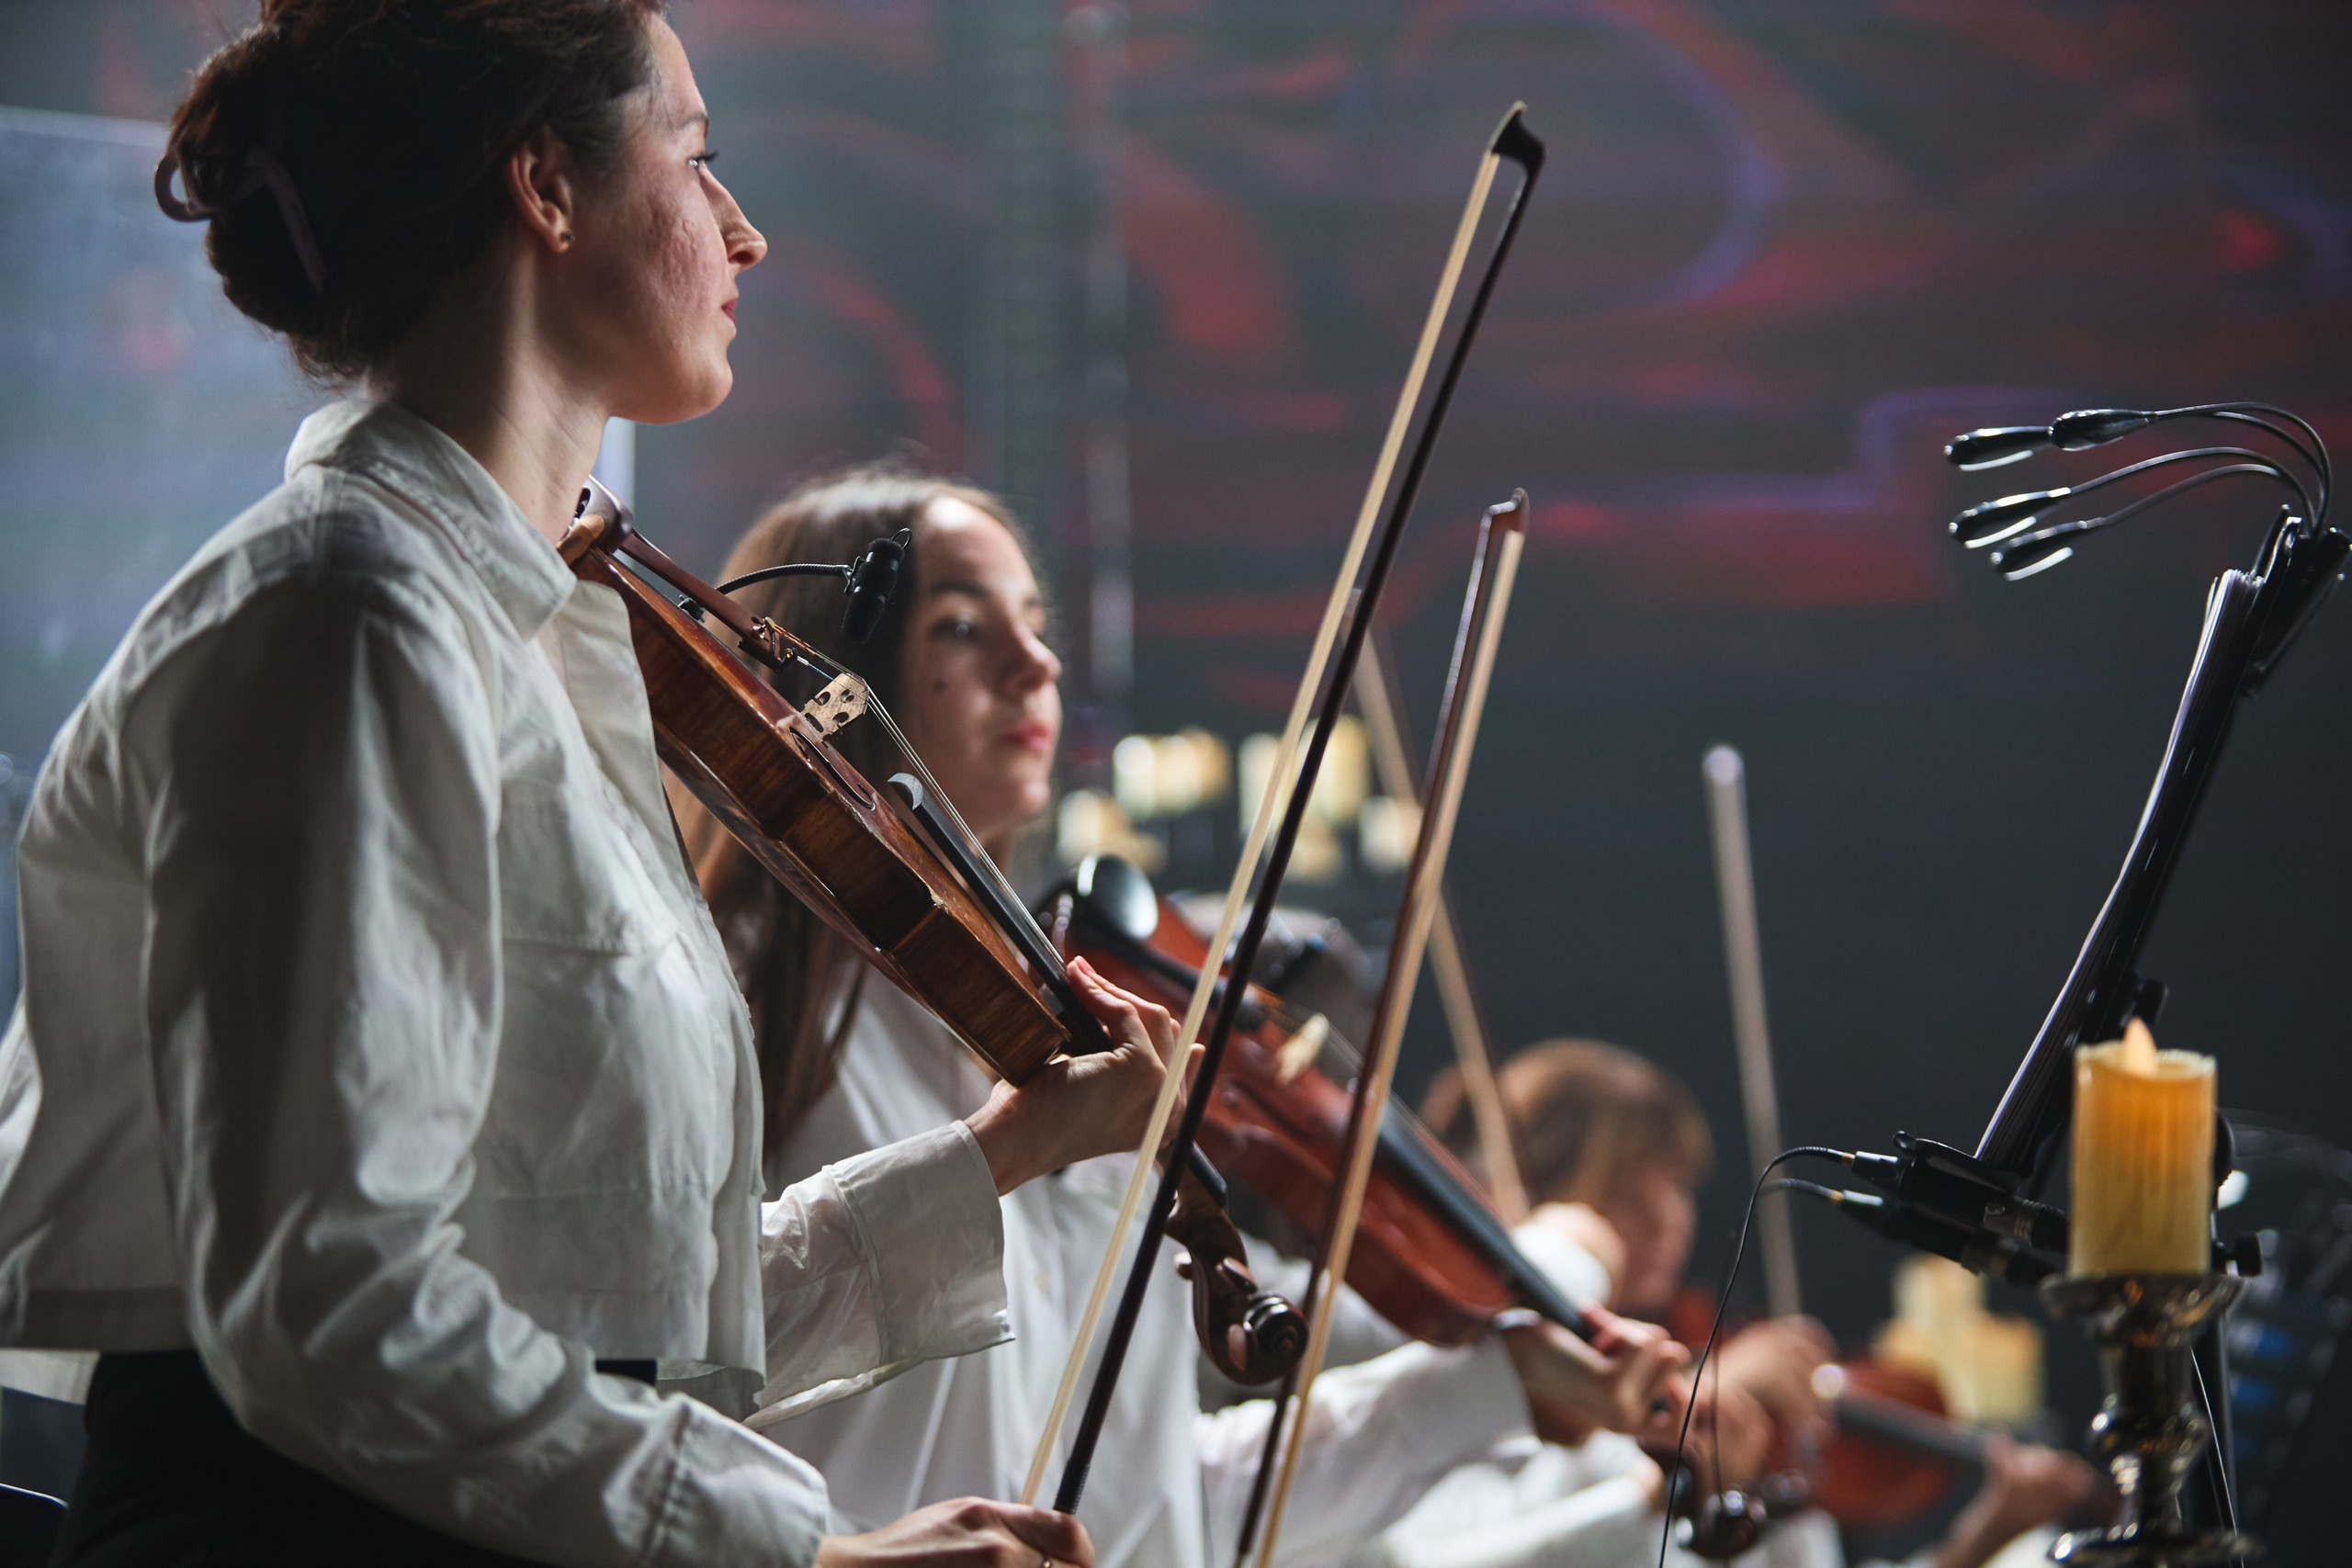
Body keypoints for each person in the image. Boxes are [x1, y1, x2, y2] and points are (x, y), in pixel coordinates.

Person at [0, 5, 1186, 1564]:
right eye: (696, 158)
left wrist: (1009, 1146)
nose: (744, 231)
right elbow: (331, 1302)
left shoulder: (518, 638)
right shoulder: (348, 615)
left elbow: (612, 1317)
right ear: (547, 187)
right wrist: (812, 1554)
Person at [677, 468, 1696, 1568]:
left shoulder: (1070, 1030)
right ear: (821, 666)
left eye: (1035, 622)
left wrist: (1494, 1384)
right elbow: (637, 1360)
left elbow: (1154, 1503)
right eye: (963, 626)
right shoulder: (726, 996)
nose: (1037, 662)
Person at [1362, 1041, 2102, 1568]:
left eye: (1677, 1184)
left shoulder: (1699, 1363)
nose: (1668, 1216)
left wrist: (1985, 1534)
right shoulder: (1471, 1359)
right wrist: (1713, 1393)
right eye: (1629, 1187)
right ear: (1535, 1190)